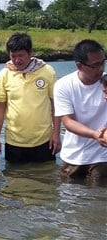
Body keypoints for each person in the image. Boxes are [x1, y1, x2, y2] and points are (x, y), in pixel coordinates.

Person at [0, 32, 61, 164]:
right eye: (13, 56)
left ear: (30, 53)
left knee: (47, 179)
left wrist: (56, 134)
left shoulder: (47, 71)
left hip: (44, 140)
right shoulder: (4, 74)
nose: (17, 60)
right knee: (14, 180)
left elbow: (55, 104)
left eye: (21, 55)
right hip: (14, 142)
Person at [53, 39, 107, 187]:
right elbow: (68, 122)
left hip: (102, 156)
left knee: (99, 201)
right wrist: (95, 135)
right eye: (95, 65)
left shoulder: (106, 82)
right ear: (79, 66)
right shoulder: (63, 85)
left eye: (103, 62)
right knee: (70, 202)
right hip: (73, 155)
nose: (100, 69)